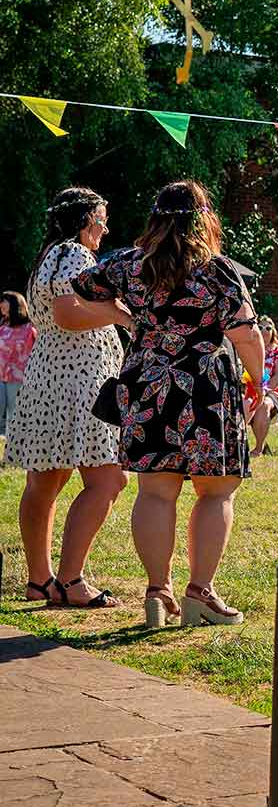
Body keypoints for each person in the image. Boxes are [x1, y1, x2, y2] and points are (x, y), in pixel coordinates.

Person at [54, 180, 267, 627]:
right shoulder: (218, 270)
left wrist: (124, 318)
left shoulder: (129, 265)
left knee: (155, 491)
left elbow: (80, 292)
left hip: (147, 383)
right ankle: (199, 594)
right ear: (205, 219)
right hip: (205, 388)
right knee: (216, 490)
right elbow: (247, 334)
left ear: (155, 219)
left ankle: (157, 592)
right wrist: (258, 385)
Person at [6, 187, 125, 609]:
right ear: (84, 220)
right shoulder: (76, 254)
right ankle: (72, 580)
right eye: (101, 219)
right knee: (109, 480)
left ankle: (40, 581)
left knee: (45, 481)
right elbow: (67, 314)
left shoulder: (49, 256)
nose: (105, 228)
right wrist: (117, 311)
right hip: (79, 382)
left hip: (49, 378)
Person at [246, 315, 278, 457]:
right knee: (242, 403)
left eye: (268, 328)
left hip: (271, 392)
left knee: (263, 404)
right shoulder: (248, 349)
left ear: (273, 332)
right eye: (260, 327)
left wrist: (264, 390)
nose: (264, 330)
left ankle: (258, 449)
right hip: (247, 389)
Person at [0, 289, 38, 445]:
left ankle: (14, 450)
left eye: (4, 301)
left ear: (15, 304)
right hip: (0, 376)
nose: (1, 304)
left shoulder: (30, 329)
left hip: (19, 379)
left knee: (14, 415)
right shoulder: (2, 326)